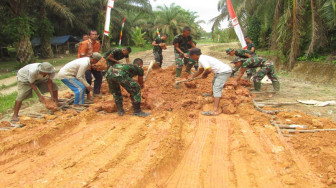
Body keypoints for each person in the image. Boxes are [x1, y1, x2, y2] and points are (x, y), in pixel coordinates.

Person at [188, 48, 232, 116]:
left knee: (217, 88)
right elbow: (200, 70)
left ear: (194, 55)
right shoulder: (201, 59)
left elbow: (209, 70)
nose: (191, 58)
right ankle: (212, 94)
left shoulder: (202, 59)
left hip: (224, 72)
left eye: (191, 56)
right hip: (219, 72)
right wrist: (192, 77)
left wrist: (205, 74)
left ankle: (215, 110)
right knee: (214, 82)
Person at [78, 30, 103, 98]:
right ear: (89, 36)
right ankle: (88, 94)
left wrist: (97, 63)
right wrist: (90, 61)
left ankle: (96, 92)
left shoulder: (98, 43)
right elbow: (82, 55)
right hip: (85, 64)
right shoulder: (85, 43)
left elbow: (97, 54)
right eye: (93, 34)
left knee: (99, 77)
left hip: (94, 63)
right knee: (88, 78)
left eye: (95, 34)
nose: (94, 36)